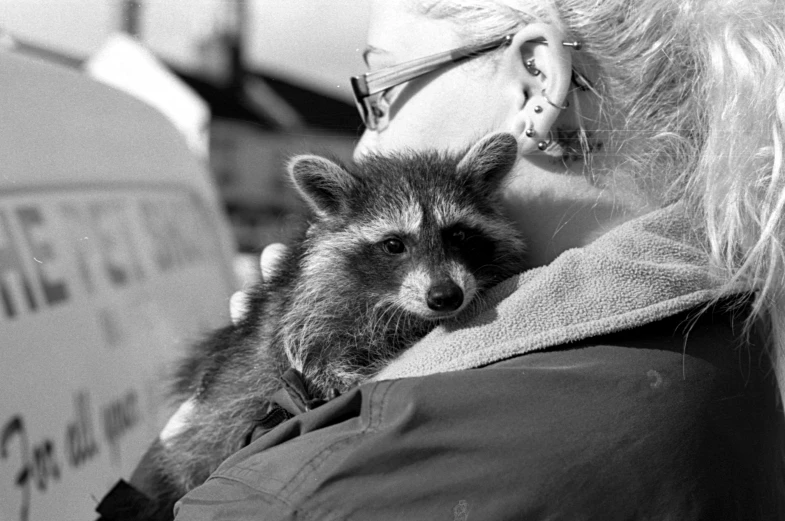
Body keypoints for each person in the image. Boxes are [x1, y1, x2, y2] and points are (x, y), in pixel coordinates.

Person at [99, 0, 785, 519]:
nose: (367, 150)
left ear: (537, 80)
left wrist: (213, 455)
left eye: (379, 91)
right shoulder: (736, 345)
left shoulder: (326, 484)